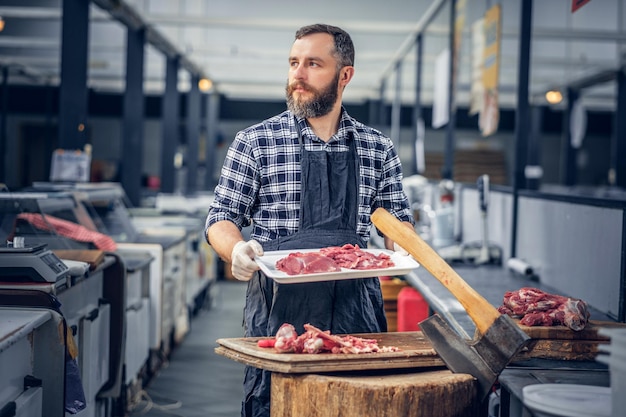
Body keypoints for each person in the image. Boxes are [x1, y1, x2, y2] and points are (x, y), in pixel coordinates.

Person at [205, 23, 414, 417]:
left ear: (345, 75)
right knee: (276, 406)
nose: (297, 75)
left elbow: (397, 224)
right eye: (293, 63)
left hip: (357, 309)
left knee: (358, 405)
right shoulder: (255, 142)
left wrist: (404, 249)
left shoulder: (377, 147)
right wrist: (234, 249)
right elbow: (221, 217)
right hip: (280, 312)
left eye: (313, 64)